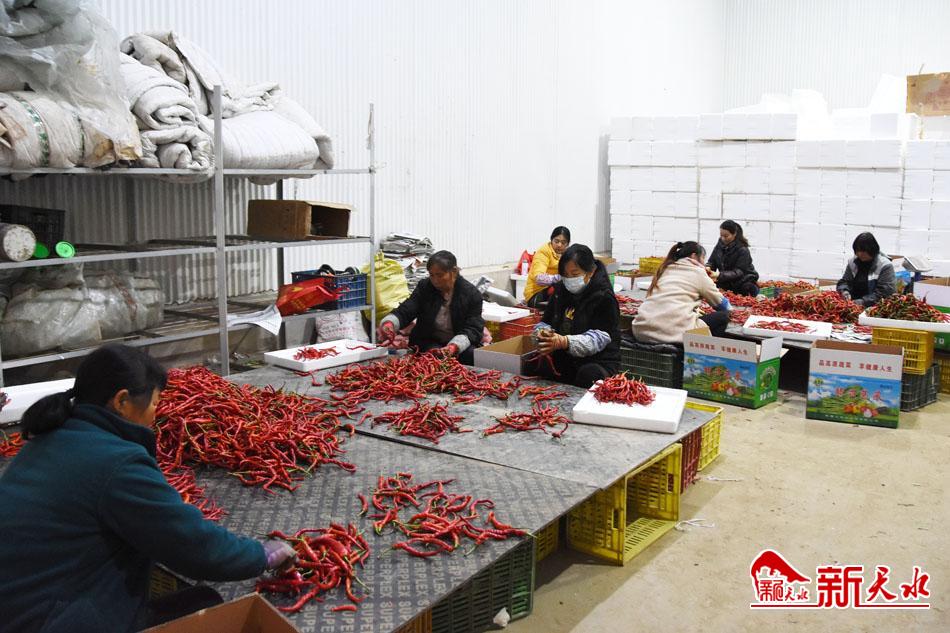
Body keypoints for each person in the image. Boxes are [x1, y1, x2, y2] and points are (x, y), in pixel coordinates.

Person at [0, 345, 295, 633]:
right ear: (122, 401)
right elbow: (193, 547)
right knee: (208, 607)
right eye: (154, 404)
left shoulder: (48, 439)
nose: (156, 415)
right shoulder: (117, 462)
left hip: (17, 608)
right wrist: (260, 555)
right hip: (46, 619)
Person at [532, 244, 621, 388]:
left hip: (597, 361)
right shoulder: (560, 291)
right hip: (566, 357)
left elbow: (600, 338)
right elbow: (545, 321)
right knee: (538, 366)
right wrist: (543, 333)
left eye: (574, 274)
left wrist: (564, 341)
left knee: (588, 374)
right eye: (565, 275)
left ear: (591, 272)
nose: (569, 280)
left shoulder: (603, 297)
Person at [377, 250, 484, 365]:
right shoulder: (425, 287)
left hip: (457, 343)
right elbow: (408, 309)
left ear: (453, 271)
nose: (435, 281)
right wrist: (390, 323)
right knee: (433, 356)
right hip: (429, 340)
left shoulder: (471, 294)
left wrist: (454, 346)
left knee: (471, 354)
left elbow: (473, 328)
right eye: (432, 275)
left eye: (440, 275)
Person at [632, 241, 732, 343]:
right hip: (670, 333)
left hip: (641, 330)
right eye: (703, 258)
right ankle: (702, 350)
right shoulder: (698, 272)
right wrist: (732, 311)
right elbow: (720, 303)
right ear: (694, 256)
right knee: (723, 317)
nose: (704, 262)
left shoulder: (666, 269)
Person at [836, 232, 896, 307]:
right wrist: (844, 291)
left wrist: (862, 302)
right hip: (853, 306)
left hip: (874, 308)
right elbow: (845, 281)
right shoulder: (852, 262)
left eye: (863, 251)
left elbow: (885, 293)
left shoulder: (885, 266)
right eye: (857, 251)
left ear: (872, 250)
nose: (859, 254)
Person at [706, 219, 759, 297]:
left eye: (726, 236)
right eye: (721, 235)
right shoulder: (720, 244)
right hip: (726, 280)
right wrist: (708, 268)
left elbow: (739, 272)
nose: (723, 238)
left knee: (746, 288)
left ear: (734, 234)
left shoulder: (743, 250)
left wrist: (719, 275)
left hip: (742, 281)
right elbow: (712, 261)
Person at [523, 226, 571, 308]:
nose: (559, 245)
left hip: (552, 290)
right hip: (535, 295)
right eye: (556, 241)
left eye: (563, 243)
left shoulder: (567, 253)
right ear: (551, 239)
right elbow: (539, 278)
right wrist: (560, 278)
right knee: (562, 287)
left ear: (568, 243)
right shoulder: (544, 252)